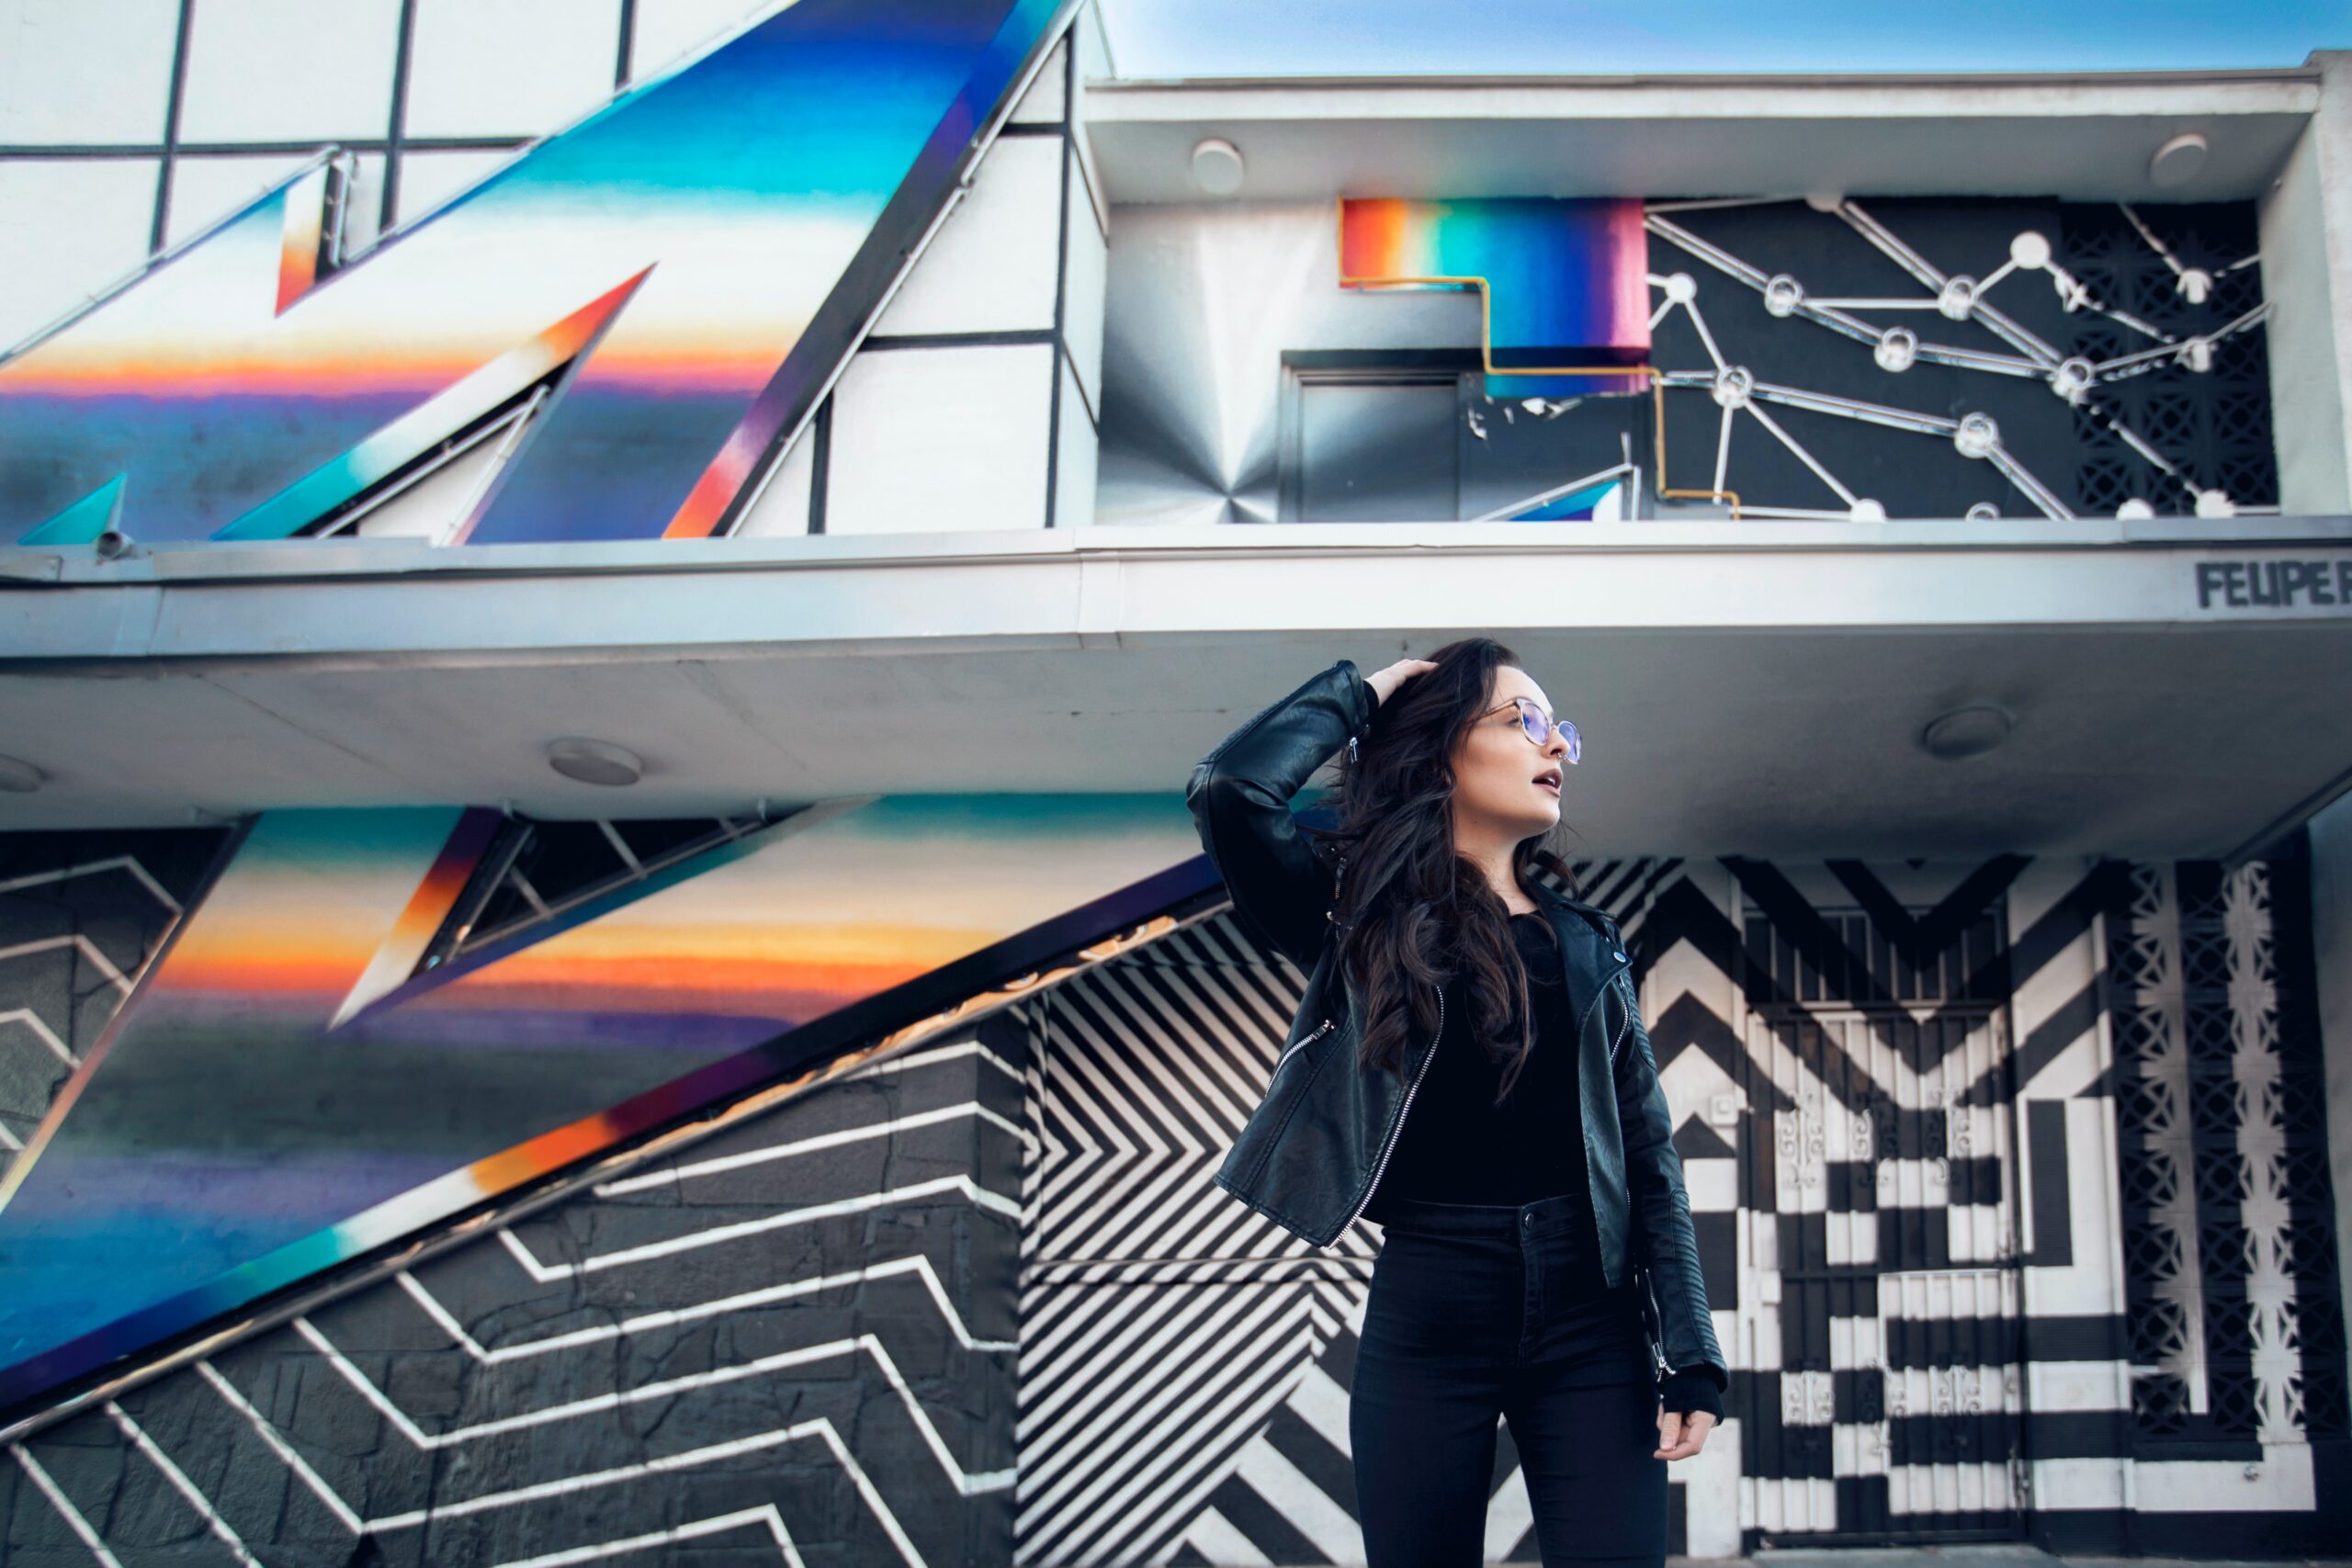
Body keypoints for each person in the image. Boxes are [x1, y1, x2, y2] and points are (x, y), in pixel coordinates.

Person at [1184, 637, 1727, 1567]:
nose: (1555, 747)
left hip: (1592, 1318)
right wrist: (1370, 694)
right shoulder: (1354, 918)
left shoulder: (1590, 946)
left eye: (1562, 732)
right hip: (1431, 1301)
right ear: (1441, 749)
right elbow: (1232, 790)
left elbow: (1647, 1158)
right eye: (1525, 721)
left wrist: (1692, 1352)